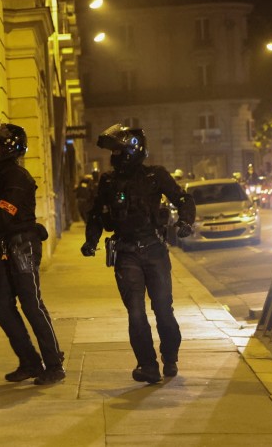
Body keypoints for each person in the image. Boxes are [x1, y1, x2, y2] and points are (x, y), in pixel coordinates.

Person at [80, 123, 196, 383]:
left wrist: (185, 222)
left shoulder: (155, 176)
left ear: (133, 150)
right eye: (114, 152)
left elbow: (183, 199)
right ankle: (147, 365)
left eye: (119, 152)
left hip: (154, 249)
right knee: (135, 312)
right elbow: (96, 214)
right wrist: (91, 241)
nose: (115, 157)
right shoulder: (108, 181)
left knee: (163, 309)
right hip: (125, 252)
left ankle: (170, 356)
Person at [0, 122, 65, 385]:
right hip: (8, 246)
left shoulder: (16, 177)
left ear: (10, 147)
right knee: (1, 307)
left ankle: (54, 364)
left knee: (32, 304)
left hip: (22, 244)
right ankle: (30, 362)